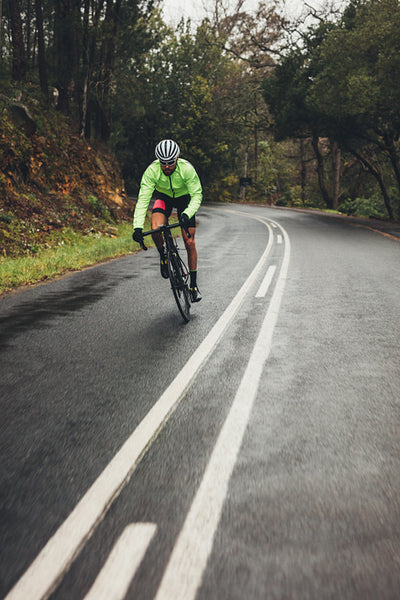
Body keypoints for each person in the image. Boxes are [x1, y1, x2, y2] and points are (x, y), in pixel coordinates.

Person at [132, 139, 203, 302]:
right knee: (156, 229)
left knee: (190, 242)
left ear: (177, 157)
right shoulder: (152, 171)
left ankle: (193, 286)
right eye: (163, 163)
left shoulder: (186, 169)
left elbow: (197, 195)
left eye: (170, 162)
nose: (167, 167)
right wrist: (137, 227)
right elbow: (143, 200)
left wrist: (187, 213)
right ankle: (164, 255)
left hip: (185, 200)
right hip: (164, 198)